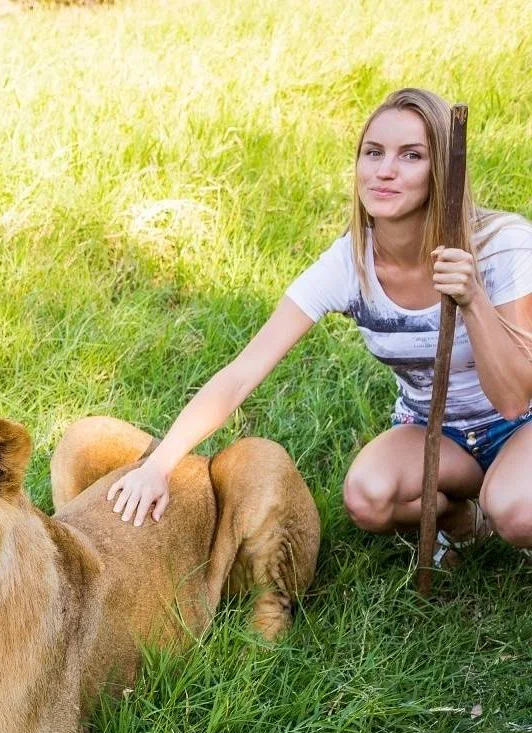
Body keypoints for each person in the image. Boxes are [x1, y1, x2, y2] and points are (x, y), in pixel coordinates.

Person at [105, 88, 532, 565]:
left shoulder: (501, 246)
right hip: (435, 432)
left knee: (517, 510)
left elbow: (515, 398)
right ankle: (464, 523)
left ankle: (505, 499)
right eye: (373, 153)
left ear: (444, 172)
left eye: (411, 155)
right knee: (369, 497)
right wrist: (159, 465)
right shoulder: (350, 264)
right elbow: (243, 372)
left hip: (521, 425)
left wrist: (473, 300)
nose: (384, 170)